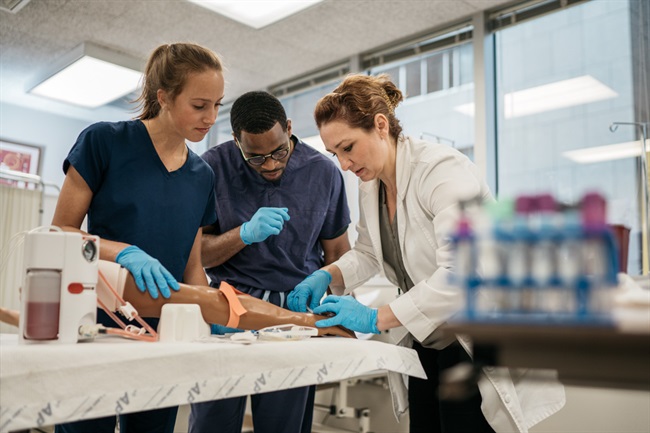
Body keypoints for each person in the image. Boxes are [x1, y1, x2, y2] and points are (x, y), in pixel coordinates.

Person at [287, 73, 566, 433]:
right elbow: (369, 253)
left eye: (348, 147)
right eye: (335, 153)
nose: (343, 164)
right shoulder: (371, 185)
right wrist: (329, 274)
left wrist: (376, 317)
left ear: (381, 125)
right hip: (427, 335)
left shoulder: (442, 170)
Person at [50, 42, 225, 433]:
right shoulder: (104, 142)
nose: (211, 117)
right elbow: (60, 231)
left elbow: (192, 264)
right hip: (93, 323)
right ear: (163, 97)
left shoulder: (203, 176)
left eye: (217, 104)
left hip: (163, 331)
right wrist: (122, 251)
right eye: (200, 105)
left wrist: (210, 321)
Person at [190, 91, 352, 433]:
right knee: (211, 423)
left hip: (293, 313)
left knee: (284, 425)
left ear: (290, 129)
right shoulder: (211, 168)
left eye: (279, 151)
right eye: (255, 157)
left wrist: (340, 302)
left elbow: (338, 252)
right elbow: (197, 253)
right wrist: (243, 234)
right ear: (236, 142)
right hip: (226, 309)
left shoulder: (323, 173)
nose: (271, 165)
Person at [0, 260, 355, 338]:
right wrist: (314, 323)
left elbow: (216, 302)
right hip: (97, 286)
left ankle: (318, 324)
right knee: (215, 301)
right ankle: (319, 324)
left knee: (212, 300)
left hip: (102, 276)